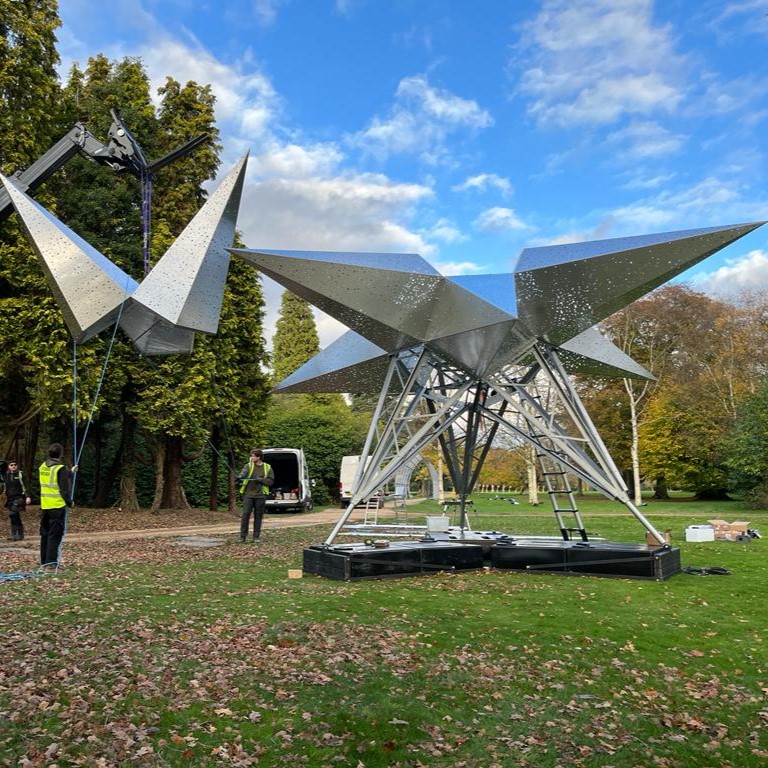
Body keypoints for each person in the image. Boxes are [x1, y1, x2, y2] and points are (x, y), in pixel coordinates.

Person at [38, 443, 77, 571]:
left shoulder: (43, 467)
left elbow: (54, 478)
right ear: (60, 454)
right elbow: (63, 490)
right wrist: (70, 502)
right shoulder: (60, 468)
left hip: (45, 506)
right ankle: (51, 563)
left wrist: (70, 472)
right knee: (55, 535)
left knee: (45, 534)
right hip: (57, 506)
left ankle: (44, 561)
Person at [236, 449, 274, 543]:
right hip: (248, 495)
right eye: (251, 456)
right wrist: (239, 477)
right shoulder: (248, 465)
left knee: (258, 516)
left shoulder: (267, 467)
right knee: (245, 515)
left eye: (253, 456)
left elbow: (270, 481)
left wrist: (260, 480)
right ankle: (242, 537)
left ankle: (256, 537)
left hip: (261, 496)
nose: (251, 458)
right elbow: (243, 473)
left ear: (259, 457)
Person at [1, 459, 31, 541]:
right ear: (8, 467)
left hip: (19, 498)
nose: (13, 466)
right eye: (11, 465)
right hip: (10, 498)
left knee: (13, 514)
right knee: (15, 516)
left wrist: (28, 496)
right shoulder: (6, 475)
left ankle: (17, 534)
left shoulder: (21, 474)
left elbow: (26, 486)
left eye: (15, 465)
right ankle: (17, 534)